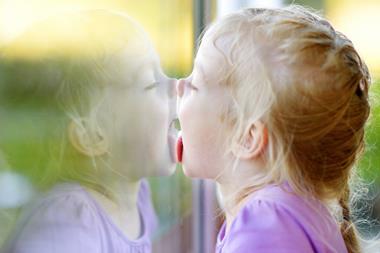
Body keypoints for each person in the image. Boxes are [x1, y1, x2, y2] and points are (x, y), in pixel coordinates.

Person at [176, 6, 371, 253]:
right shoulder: (297, 214)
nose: (179, 86)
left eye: (195, 84)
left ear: (248, 138)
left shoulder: (265, 226)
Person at [0, 9, 177, 253]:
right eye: (152, 83)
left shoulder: (138, 196)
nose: (175, 87)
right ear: (93, 136)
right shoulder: (68, 220)